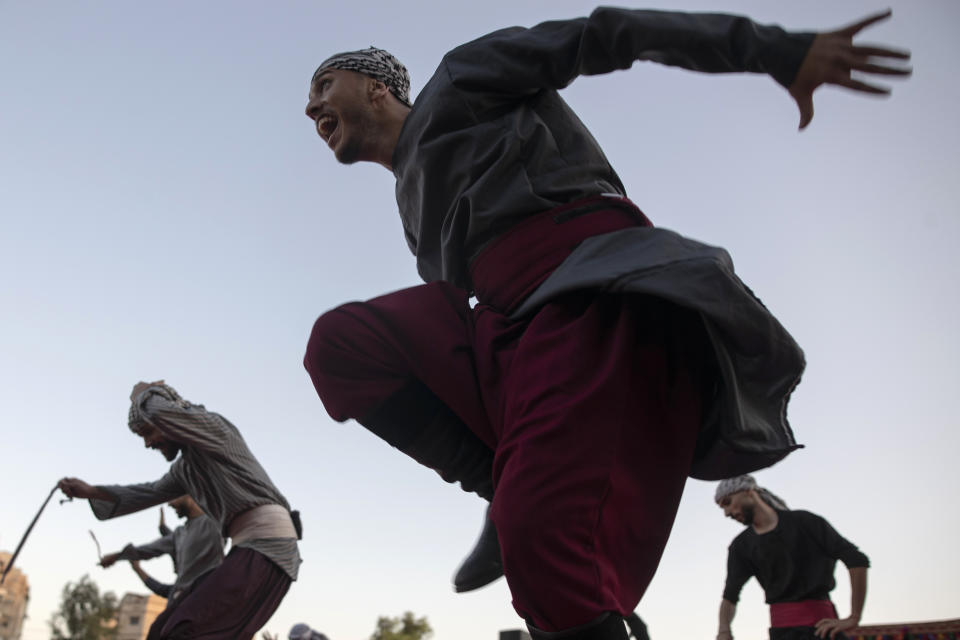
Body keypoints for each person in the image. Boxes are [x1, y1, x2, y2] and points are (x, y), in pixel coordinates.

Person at [301, 8, 907, 639]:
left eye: (323, 86)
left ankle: (528, 520)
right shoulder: (409, 202)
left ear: (375, 86)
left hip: (585, 294)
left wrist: (774, 49)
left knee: (544, 550)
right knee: (342, 344)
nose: (311, 106)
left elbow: (609, 33)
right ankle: (499, 484)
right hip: (508, 332)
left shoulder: (461, 81)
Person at [58, 380, 301, 640]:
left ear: (169, 418)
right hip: (248, 549)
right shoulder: (185, 470)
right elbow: (148, 492)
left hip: (269, 548)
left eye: (149, 432)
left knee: (183, 631)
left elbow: (164, 411)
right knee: (161, 630)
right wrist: (91, 492)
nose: (148, 444)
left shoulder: (213, 428)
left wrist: (142, 393)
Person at [715, 475, 870, 640]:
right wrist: (724, 630)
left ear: (748, 492)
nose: (726, 513)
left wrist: (854, 617)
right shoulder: (741, 546)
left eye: (727, 502)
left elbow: (857, 560)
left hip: (823, 631)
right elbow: (730, 596)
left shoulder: (805, 522)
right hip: (782, 634)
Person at [99, 494, 224, 631]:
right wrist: (117, 556)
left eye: (173, 497)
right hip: (177, 608)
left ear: (189, 494)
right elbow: (148, 550)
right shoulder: (179, 534)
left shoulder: (214, 523)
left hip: (200, 608)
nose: (169, 504)